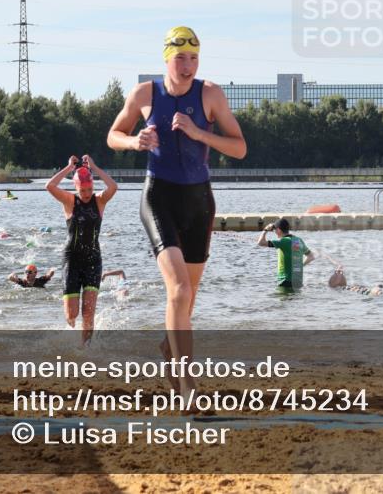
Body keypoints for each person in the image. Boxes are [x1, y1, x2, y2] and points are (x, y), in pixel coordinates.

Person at [107, 25, 246, 396]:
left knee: (188, 298)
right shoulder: (145, 93)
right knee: (180, 290)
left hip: (199, 200)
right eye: (180, 58)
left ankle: (169, 347)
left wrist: (200, 134)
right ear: (166, 58)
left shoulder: (211, 94)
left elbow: (239, 148)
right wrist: (135, 141)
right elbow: (113, 135)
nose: (188, 66)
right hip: (159, 197)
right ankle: (187, 387)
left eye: (194, 58)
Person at [46, 154, 118, 345]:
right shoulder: (70, 201)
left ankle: (85, 349)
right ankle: (69, 335)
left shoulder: (99, 201)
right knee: (72, 315)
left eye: (89, 189)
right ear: (76, 187)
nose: (86, 193)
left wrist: (94, 167)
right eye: (83, 190)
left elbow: (113, 186)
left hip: (93, 260)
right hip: (72, 260)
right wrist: (69, 168)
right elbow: (50, 186)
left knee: (88, 313)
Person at [257, 218, 316, 290]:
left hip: (285, 280)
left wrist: (265, 230)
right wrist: (300, 266)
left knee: (283, 300)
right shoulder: (298, 240)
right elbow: (311, 256)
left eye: (275, 230)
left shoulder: (283, 241)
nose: (275, 232)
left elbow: (260, 243)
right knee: (296, 300)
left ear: (278, 230)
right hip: (298, 281)